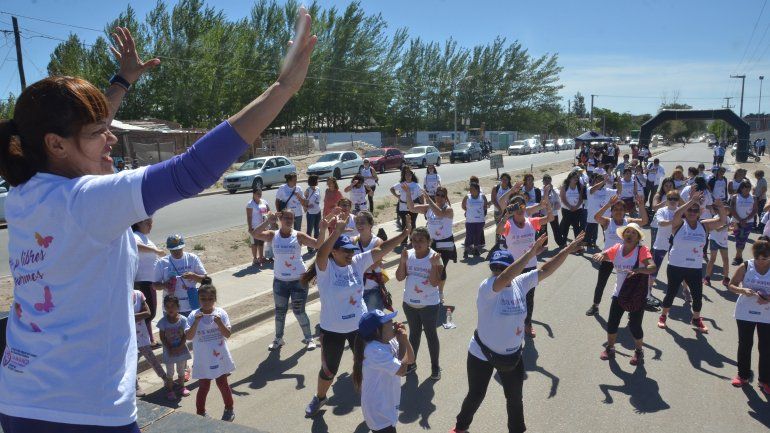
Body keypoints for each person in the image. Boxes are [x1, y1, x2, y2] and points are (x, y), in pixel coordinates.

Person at [0, 15, 314, 429]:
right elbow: (191, 170)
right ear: (55, 144)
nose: (111, 138)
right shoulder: (87, 200)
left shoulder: (25, 190)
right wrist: (283, 89)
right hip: (80, 412)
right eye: (99, 132)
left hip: (20, 398)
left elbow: (72, 135)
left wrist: (122, 82)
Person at [451, 234, 584, 433]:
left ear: (512, 267)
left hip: (512, 356)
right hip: (481, 353)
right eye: (495, 267)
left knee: (514, 399)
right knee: (476, 394)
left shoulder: (520, 283)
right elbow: (505, 277)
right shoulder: (487, 287)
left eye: (502, 267)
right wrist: (530, 253)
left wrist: (567, 250)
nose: (498, 271)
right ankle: (460, 427)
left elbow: (546, 269)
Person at [303, 215, 410, 417]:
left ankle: (372, 401)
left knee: (367, 364)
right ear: (334, 251)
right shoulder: (326, 268)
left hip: (360, 329)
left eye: (352, 250)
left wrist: (403, 234)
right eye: (346, 251)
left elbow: (381, 249)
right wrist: (336, 231)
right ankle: (320, 397)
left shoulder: (357, 262)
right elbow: (320, 254)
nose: (351, 254)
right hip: (332, 330)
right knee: (329, 370)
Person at [251, 209, 330, 351]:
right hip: (280, 282)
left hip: (298, 281)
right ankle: (278, 339)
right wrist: (268, 221)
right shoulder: (273, 235)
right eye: (286, 217)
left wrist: (323, 229)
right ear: (280, 219)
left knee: (299, 311)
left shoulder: (298, 236)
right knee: (280, 312)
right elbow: (255, 234)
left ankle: (309, 338)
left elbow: (317, 244)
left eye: (291, 218)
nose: (289, 220)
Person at [657, 191, 727, 333]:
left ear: (699, 213)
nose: (692, 212)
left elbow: (722, 221)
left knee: (697, 296)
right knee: (671, 293)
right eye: (690, 210)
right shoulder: (678, 223)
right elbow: (677, 214)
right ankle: (663, 316)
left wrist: (720, 207)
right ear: (685, 211)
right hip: (676, 266)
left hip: (694, 268)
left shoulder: (704, 226)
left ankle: (696, 319)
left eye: (695, 210)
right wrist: (691, 201)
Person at [592, 223, 656, 364]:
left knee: (634, 326)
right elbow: (605, 254)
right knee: (612, 323)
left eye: (634, 233)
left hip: (637, 294)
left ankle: (638, 351)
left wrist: (639, 270)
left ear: (638, 237)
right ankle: (610, 348)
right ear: (623, 235)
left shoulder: (642, 250)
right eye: (628, 231)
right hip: (619, 293)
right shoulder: (617, 248)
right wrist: (599, 254)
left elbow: (652, 268)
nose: (630, 234)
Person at [497, 193, 553, 337]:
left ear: (525, 207)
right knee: (513, 297)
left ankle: (527, 324)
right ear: (511, 209)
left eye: (521, 205)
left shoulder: (531, 222)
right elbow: (499, 231)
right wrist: (505, 216)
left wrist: (548, 206)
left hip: (530, 266)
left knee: (529, 298)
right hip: (513, 267)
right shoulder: (508, 225)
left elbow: (550, 218)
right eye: (515, 206)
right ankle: (513, 324)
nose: (519, 209)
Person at [352, 310, 415, 433]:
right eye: (388, 322)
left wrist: (404, 340)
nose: (393, 323)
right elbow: (402, 370)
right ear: (377, 331)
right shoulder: (374, 350)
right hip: (378, 412)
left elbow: (410, 360)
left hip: (387, 404)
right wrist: (403, 341)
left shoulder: (389, 341)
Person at [586, 194, 648, 316]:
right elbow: (596, 217)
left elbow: (644, 221)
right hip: (608, 257)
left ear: (625, 211)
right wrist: (608, 204)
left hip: (626, 259)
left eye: (621, 209)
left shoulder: (628, 222)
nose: (618, 212)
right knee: (601, 283)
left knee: (630, 285)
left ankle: (631, 307)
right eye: (615, 209)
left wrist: (641, 205)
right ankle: (595, 305)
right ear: (612, 211)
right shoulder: (607, 222)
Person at [396, 227, 444, 380]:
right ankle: (411, 363)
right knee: (414, 334)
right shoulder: (408, 255)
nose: (416, 243)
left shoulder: (435, 257)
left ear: (429, 242)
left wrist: (434, 265)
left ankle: (435, 366)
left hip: (429, 305)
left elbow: (435, 283)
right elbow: (399, 277)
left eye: (421, 240)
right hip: (409, 304)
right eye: (414, 240)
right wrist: (402, 261)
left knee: (431, 335)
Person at [184, 280, 236, 421]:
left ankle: (229, 408)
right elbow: (189, 337)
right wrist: (196, 322)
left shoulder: (221, 313)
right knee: (204, 386)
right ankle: (201, 413)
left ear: (215, 299)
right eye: (203, 299)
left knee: (222, 383)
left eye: (210, 299)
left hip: (219, 357)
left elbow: (227, 334)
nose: (207, 302)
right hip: (203, 359)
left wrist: (219, 323)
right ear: (198, 299)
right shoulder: (193, 315)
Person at [727, 236, 770, 394]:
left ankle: (764, 380)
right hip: (745, 312)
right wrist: (742, 290)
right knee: (745, 344)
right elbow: (731, 285)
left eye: (765, 258)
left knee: (766, 347)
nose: (761, 262)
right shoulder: (746, 265)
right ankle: (743, 375)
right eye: (758, 258)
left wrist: (768, 298)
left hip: (766, 314)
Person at [406, 187, 456, 299]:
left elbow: (439, 214)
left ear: (446, 197)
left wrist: (428, 199)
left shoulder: (448, 210)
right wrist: (408, 193)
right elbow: (412, 208)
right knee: (430, 268)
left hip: (445, 244)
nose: (440, 197)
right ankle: (430, 290)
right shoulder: (428, 208)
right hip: (431, 243)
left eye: (442, 195)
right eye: (438, 194)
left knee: (440, 268)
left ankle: (440, 292)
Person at [153, 234, 208, 317]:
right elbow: (154, 285)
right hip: (171, 308)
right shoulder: (162, 262)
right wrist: (165, 285)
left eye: (179, 249)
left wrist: (193, 276)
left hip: (191, 306)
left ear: (183, 247)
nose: (177, 252)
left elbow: (205, 280)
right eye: (173, 250)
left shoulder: (192, 258)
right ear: (169, 249)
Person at [132, 217, 165, 346]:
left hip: (149, 281)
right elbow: (136, 246)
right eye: (148, 224)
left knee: (148, 312)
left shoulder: (144, 238)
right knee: (149, 313)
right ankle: (143, 341)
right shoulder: (135, 236)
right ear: (139, 223)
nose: (150, 226)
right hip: (143, 281)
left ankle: (150, 340)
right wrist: (156, 251)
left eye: (151, 224)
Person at [132, 289, 171, 398]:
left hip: (141, 335)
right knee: (131, 362)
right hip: (127, 337)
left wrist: (128, 317)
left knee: (152, 358)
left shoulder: (138, 294)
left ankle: (165, 378)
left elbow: (147, 313)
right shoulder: (118, 298)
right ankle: (135, 386)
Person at [157, 295, 193, 401]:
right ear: (164, 308)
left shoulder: (183, 320)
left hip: (181, 350)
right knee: (170, 372)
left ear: (178, 307)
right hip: (169, 352)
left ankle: (182, 387)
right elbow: (162, 337)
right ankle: (170, 390)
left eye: (173, 306)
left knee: (181, 370)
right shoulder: (163, 322)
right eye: (167, 306)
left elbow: (185, 335)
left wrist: (180, 347)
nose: (170, 308)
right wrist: (169, 348)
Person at [352, 211, 387, 311]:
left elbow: (374, 265)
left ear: (370, 224)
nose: (359, 225)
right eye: (357, 222)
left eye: (362, 222)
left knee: (373, 318)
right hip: (357, 291)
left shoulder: (377, 242)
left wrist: (356, 266)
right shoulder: (353, 241)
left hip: (373, 290)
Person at [651, 190, 682, 294]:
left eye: (675, 199)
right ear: (666, 200)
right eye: (670, 198)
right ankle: (648, 290)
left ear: (678, 200)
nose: (673, 201)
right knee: (654, 268)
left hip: (676, 245)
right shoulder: (661, 210)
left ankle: (677, 289)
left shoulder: (682, 211)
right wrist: (675, 221)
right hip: (661, 244)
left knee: (674, 268)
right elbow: (661, 223)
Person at [585, 172, 616, 249]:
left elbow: (618, 192)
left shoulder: (607, 190)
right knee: (589, 233)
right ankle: (586, 244)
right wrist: (603, 181)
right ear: (594, 181)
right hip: (593, 216)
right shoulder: (589, 188)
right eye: (597, 180)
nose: (599, 182)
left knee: (607, 232)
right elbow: (593, 190)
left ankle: (608, 245)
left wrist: (619, 183)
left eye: (601, 180)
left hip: (605, 216)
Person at [731, 179, 758, 265]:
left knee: (742, 240)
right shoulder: (735, 197)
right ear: (741, 188)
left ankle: (737, 257)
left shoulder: (753, 198)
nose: (747, 189)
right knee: (738, 239)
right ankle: (739, 256)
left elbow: (755, 210)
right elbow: (732, 210)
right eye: (745, 187)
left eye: (749, 187)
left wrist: (746, 219)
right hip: (736, 222)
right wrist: (740, 220)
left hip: (748, 223)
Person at [390, 166, 422, 236]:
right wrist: (397, 196)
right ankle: (404, 240)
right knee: (404, 224)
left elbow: (421, 196)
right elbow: (392, 189)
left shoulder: (416, 185)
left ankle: (413, 239)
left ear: (412, 175)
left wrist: (422, 205)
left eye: (409, 174)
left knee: (413, 223)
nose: (408, 176)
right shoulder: (401, 184)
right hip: (403, 207)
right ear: (404, 176)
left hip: (413, 207)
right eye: (406, 175)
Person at [462, 181, 489, 258]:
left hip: (480, 221)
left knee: (477, 235)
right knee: (469, 236)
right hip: (470, 221)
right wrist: (469, 211)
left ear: (477, 189)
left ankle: (476, 249)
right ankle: (466, 250)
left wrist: (484, 208)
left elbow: (485, 206)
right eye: (470, 189)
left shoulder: (482, 197)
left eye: (472, 189)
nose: (470, 190)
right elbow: (463, 206)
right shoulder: (467, 197)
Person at [704, 212, 730, 287]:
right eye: (725, 209)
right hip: (714, 240)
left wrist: (733, 228)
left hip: (723, 241)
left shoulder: (727, 218)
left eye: (727, 210)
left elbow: (727, 229)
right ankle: (707, 277)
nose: (726, 211)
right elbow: (718, 229)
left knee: (726, 260)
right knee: (712, 259)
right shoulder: (715, 218)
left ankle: (726, 278)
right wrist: (728, 225)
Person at [559, 170, 584, 248]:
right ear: (570, 178)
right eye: (574, 177)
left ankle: (577, 245)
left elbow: (581, 199)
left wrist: (576, 207)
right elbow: (563, 199)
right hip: (566, 210)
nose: (576, 179)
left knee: (576, 227)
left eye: (577, 177)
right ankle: (563, 243)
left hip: (577, 210)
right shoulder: (564, 187)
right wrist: (570, 207)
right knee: (565, 226)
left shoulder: (580, 186)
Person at [247, 187, 271, 265]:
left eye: (260, 193)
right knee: (254, 243)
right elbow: (249, 216)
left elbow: (269, 211)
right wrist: (250, 227)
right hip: (254, 227)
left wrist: (268, 216)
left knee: (261, 242)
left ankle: (261, 257)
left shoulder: (264, 202)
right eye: (258, 193)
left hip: (263, 226)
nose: (259, 195)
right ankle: (255, 258)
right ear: (253, 194)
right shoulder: (250, 204)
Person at [542, 174, 563, 246]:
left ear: (551, 181)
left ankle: (560, 243)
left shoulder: (555, 189)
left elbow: (558, 197)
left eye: (549, 180)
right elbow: (541, 200)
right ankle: (544, 244)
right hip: (544, 213)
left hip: (553, 213)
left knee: (556, 229)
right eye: (545, 180)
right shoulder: (541, 190)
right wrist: (546, 191)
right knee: (543, 230)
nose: (547, 182)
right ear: (543, 182)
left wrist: (552, 189)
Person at [304, 175, 322, 250]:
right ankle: (309, 247)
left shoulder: (318, 189)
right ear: (314, 181)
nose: (318, 181)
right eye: (317, 180)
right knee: (309, 230)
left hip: (318, 212)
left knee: (317, 230)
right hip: (311, 213)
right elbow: (304, 202)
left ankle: (317, 245)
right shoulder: (307, 191)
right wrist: (307, 207)